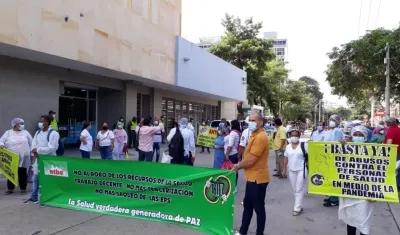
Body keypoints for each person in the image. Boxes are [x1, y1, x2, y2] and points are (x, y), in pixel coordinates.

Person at [232, 112, 269, 235]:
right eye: (250, 120)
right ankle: (243, 231)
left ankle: (260, 232)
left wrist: (238, 165)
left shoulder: (261, 137)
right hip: (251, 178)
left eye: (254, 120)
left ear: (260, 122)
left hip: (258, 179)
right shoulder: (253, 134)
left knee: (258, 208)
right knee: (247, 205)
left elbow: (251, 160)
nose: (251, 122)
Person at [339, 125, 374, 235]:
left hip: (365, 192)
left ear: (365, 137)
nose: (358, 137)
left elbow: (379, 171)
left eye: (361, 135)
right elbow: (334, 160)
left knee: (364, 220)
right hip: (349, 190)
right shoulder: (346, 148)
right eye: (356, 135)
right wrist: (340, 145)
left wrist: (375, 192)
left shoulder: (372, 151)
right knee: (350, 218)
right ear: (351, 136)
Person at [24, 115, 60, 204]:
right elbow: (33, 143)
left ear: (47, 123)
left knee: (49, 179)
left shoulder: (53, 133)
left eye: (42, 121)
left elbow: (52, 148)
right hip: (38, 159)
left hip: (49, 160)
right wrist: (34, 151)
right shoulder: (38, 132)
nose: (40, 123)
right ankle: (34, 197)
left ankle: (49, 198)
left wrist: (38, 150)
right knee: (35, 178)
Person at [0, 118, 32, 195]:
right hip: (11, 157)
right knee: (11, 173)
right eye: (21, 124)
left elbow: (32, 142)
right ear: (15, 124)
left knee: (22, 173)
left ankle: (23, 189)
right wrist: (1, 144)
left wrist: (32, 153)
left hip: (24, 157)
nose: (23, 125)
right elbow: (1, 140)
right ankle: (10, 188)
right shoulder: (8, 133)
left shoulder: (25, 133)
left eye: (23, 123)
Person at [282, 129, 308, 216]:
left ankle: (296, 209)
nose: (294, 137)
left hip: (301, 170)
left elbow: (310, 156)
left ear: (299, 137)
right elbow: (286, 158)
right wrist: (284, 169)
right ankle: (300, 205)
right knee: (295, 189)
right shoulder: (288, 147)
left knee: (299, 189)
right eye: (292, 135)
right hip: (291, 170)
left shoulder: (304, 146)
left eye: (296, 135)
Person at [323, 114, 345, 207]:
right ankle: (331, 196)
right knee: (330, 177)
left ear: (338, 122)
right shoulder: (329, 131)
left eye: (334, 120)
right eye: (330, 120)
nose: (331, 121)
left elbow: (337, 145)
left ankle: (334, 200)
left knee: (334, 178)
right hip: (328, 156)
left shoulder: (338, 131)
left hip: (335, 157)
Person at [384, 117, 400, 189]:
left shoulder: (391, 130)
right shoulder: (399, 129)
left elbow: (389, 143)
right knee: (398, 170)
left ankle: (394, 186)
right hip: (399, 152)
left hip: (394, 153)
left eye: (387, 123)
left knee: (393, 170)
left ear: (389, 123)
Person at [225, 120, 241, 194]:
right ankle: (234, 186)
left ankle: (232, 186)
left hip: (232, 154)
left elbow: (230, 145)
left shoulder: (233, 133)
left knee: (231, 170)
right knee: (235, 170)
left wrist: (227, 154)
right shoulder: (238, 132)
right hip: (236, 153)